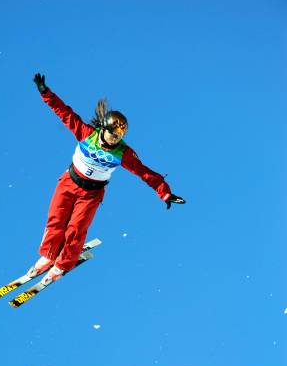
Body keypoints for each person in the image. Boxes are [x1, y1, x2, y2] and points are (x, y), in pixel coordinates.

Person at [27, 73, 186, 285]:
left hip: (91, 194)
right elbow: (64, 113)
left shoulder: (123, 154)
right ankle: (49, 254)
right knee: (56, 219)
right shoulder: (86, 133)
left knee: (76, 229)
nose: (114, 139)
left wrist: (164, 192)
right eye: (112, 134)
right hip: (69, 182)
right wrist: (45, 93)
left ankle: (62, 264)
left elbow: (144, 172)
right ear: (104, 127)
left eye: (118, 137)